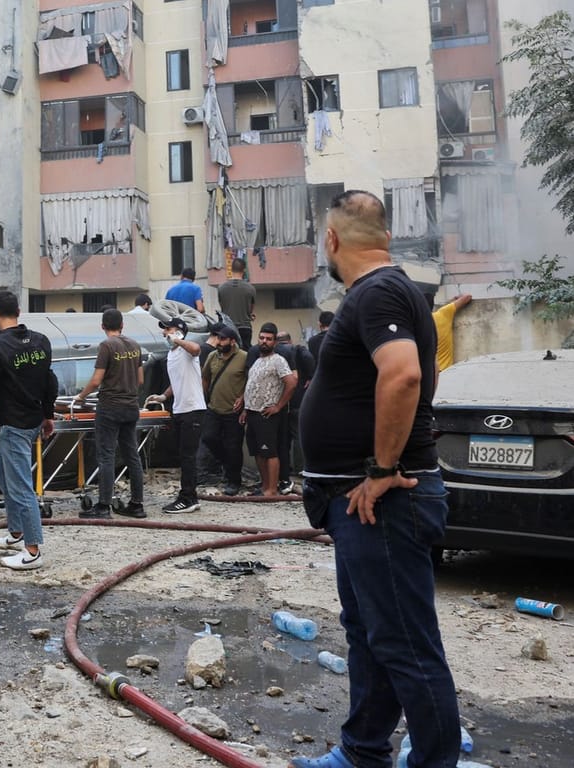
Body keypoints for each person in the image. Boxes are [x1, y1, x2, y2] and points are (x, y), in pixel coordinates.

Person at [292, 191, 457, 768]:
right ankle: (363, 752)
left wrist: (383, 470)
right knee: (369, 632)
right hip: (357, 499)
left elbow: (405, 375)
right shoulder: (385, 291)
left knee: (405, 644)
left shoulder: (380, 291)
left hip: (383, 499)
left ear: (332, 240)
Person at [0, 290, 57, 570]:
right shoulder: (41, 341)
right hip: (31, 421)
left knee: (20, 487)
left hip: (15, 425)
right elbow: (49, 381)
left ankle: (32, 551)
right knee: (4, 475)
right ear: (18, 310)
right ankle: (16, 533)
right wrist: (48, 415)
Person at [72, 309, 146, 519]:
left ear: (103, 326)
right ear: (122, 325)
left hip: (110, 407)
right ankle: (137, 505)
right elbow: (140, 380)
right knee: (132, 455)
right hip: (131, 407)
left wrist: (81, 397)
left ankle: (103, 507)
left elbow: (96, 380)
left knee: (106, 456)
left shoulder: (106, 346)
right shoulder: (134, 345)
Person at [145, 318, 206, 512]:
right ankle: (189, 495)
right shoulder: (172, 355)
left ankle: (188, 498)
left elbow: (197, 349)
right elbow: (177, 380)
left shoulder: (187, 350)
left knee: (188, 456)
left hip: (192, 409)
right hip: (179, 409)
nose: (165, 333)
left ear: (179, 332)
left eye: (168, 330)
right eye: (164, 331)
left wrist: (178, 340)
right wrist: (163, 396)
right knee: (182, 455)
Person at [240, 324, 297, 497]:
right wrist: (245, 409)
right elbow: (251, 387)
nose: (264, 342)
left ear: (274, 342)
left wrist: (278, 406)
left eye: (268, 339)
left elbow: (292, 382)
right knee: (258, 452)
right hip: (252, 413)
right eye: (262, 338)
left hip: (267, 414)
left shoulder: (278, 360)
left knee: (270, 452)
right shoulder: (257, 360)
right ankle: (265, 487)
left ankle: (272, 490)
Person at [200, 326, 247, 497]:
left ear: (232, 341)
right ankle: (227, 464)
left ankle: (234, 481)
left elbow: (250, 380)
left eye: (223, 339)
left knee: (234, 447)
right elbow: (205, 377)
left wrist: (243, 398)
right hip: (214, 408)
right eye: (218, 339)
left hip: (233, 411)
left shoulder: (244, 357)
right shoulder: (213, 356)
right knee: (209, 438)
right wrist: (203, 398)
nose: (219, 343)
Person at [276, 330, 315, 492]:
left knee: (283, 438)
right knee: (298, 435)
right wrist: (312, 377)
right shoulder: (298, 350)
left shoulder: (277, 352)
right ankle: (301, 468)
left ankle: (285, 470)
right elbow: (309, 359)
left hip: (282, 401)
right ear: (290, 339)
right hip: (299, 399)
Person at [216, 257, 256, 351]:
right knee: (244, 354)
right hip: (244, 326)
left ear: (231, 269)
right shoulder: (250, 288)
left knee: (226, 353)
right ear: (244, 270)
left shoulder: (221, 288)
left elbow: (222, 306)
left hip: (227, 327)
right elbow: (250, 309)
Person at [432, 293, 472, 373]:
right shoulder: (442, 314)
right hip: (445, 371)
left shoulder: (417, 324)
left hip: (428, 374)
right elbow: (468, 297)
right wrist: (457, 298)